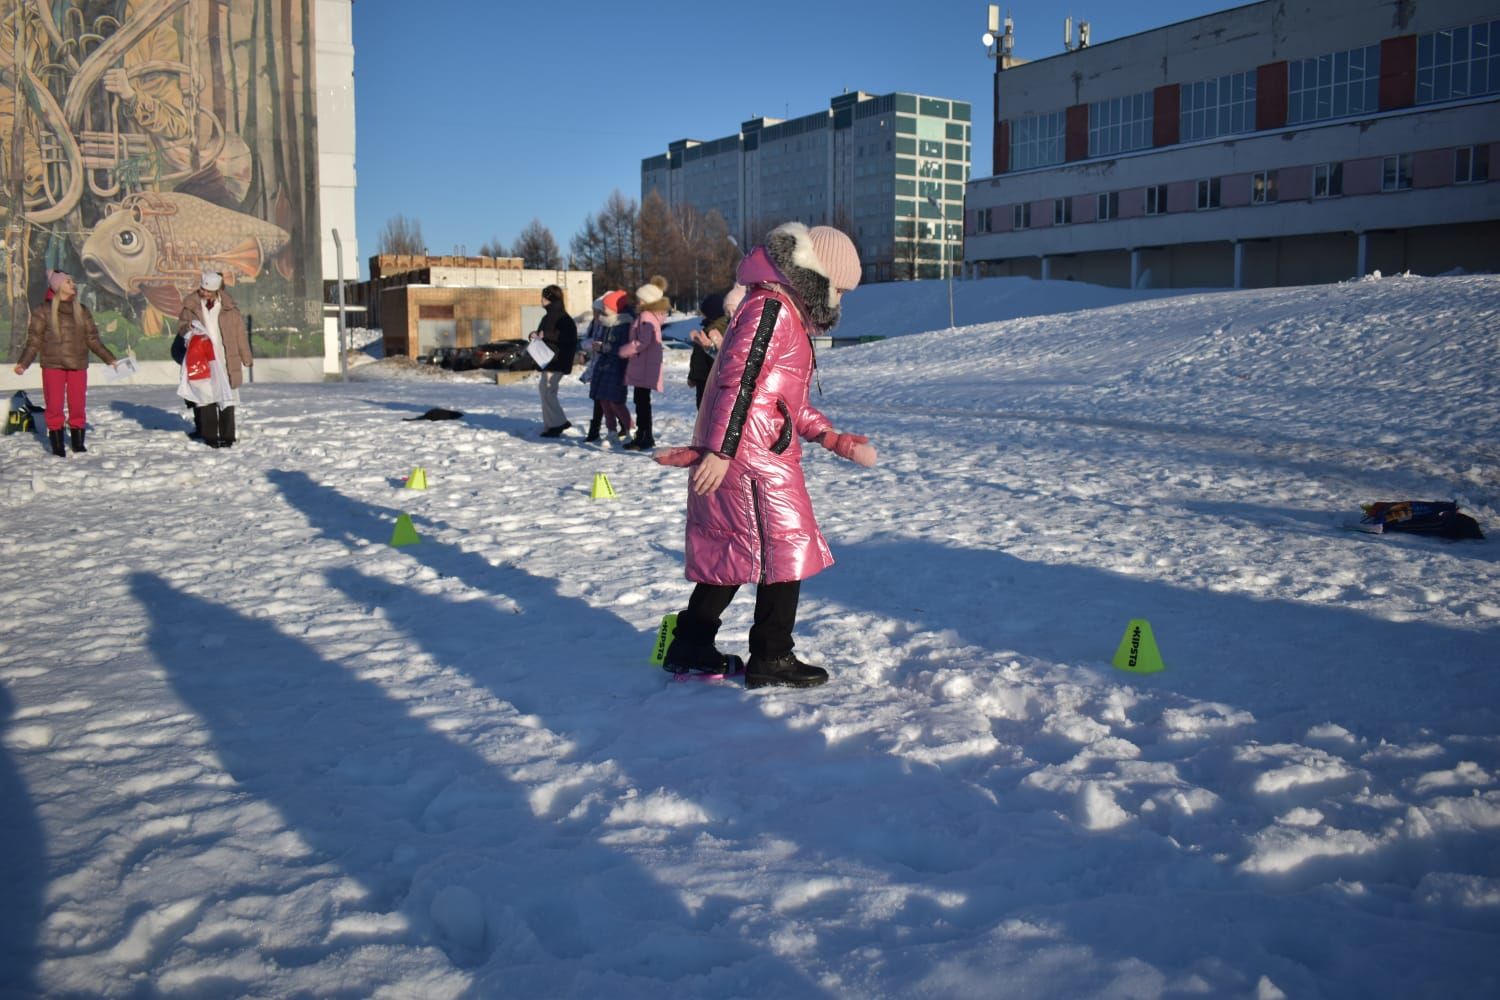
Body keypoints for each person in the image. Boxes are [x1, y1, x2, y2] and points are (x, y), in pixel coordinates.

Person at [653, 223, 877, 689]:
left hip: (754, 448)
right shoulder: (771, 310)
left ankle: (691, 645)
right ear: (817, 275)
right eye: (840, 288)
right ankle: (772, 655)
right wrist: (721, 449)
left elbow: (787, 401)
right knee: (784, 550)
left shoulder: (780, 310)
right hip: (753, 456)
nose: (841, 299)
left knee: (736, 547)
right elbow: (742, 379)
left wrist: (831, 437)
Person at [13, 270, 120, 456]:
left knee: (77, 404)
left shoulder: (82, 310)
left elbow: (92, 339)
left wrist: (109, 358)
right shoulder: (43, 311)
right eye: (68, 282)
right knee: (54, 406)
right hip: (53, 365)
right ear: (58, 286)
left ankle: (78, 443)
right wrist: (23, 363)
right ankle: (57, 445)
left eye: (73, 281)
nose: (73, 285)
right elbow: (34, 341)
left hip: (78, 364)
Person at [175, 270, 252, 448]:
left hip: (225, 358)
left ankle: (227, 437)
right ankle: (210, 437)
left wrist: (245, 356)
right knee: (206, 396)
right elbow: (181, 326)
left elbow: (239, 334)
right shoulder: (191, 305)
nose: (204, 293)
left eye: (208, 291)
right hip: (202, 358)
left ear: (216, 291)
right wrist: (189, 331)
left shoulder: (229, 308)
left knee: (227, 397)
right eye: (202, 289)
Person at [619, 275, 668, 450]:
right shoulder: (651, 315)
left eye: (640, 298)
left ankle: (644, 436)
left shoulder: (646, 316)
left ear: (647, 300)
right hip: (646, 366)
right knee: (642, 402)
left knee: (641, 403)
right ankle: (644, 435)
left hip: (644, 366)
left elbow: (643, 341)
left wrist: (625, 350)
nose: (637, 301)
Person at [585, 290, 633, 443]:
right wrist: (596, 345)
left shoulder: (624, 324)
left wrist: (606, 348)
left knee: (616, 401)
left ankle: (630, 428)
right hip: (603, 365)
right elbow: (597, 339)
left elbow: (623, 348)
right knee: (603, 400)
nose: (604, 310)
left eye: (607, 307)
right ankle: (611, 430)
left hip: (617, 367)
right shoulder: (606, 323)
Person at [533, 284, 578, 438]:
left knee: (548, 392)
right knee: (545, 391)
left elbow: (569, 339)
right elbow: (544, 334)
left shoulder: (563, 318)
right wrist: (535, 335)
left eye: (543, 297)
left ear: (550, 299)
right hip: (547, 359)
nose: (541, 300)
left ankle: (558, 423)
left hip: (557, 360)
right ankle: (552, 424)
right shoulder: (548, 316)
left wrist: (545, 336)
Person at [687, 292, 728, 410]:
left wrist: (694, 376)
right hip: (705, 378)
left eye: (704, 314)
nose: (702, 316)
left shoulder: (713, 331)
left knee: (705, 412)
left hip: (707, 380)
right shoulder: (711, 328)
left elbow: (701, 358)